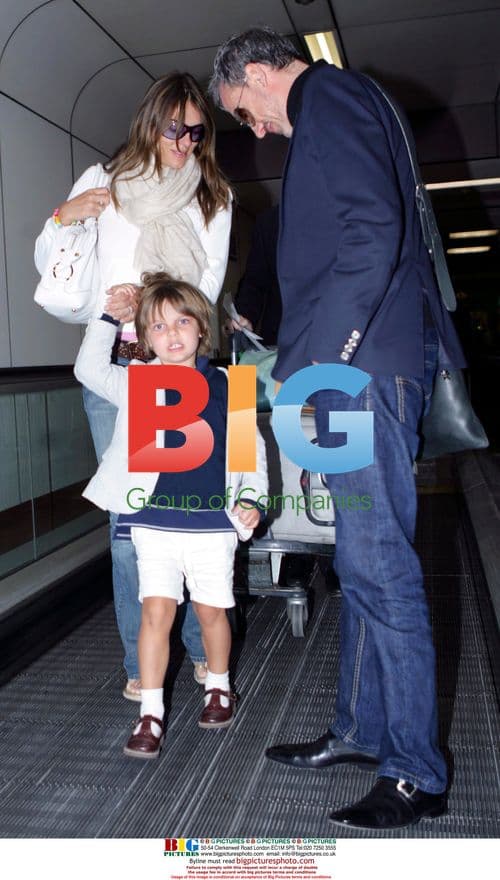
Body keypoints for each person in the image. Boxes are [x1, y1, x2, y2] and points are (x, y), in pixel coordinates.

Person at [210, 28, 465, 830]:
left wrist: (323, 363)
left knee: (381, 565)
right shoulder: (332, 105)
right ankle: (360, 728)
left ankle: (415, 772)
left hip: (359, 373)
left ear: (257, 72)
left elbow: (372, 230)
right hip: (353, 372)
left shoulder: (332, 97)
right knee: (358, 556)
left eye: (243, 110)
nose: (254, 127)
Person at [35, 72, 233, 701]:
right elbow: (55, 263)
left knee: (195, 512)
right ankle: (137, 660)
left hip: (181, 374)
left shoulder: (212, 196)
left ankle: (201, 649)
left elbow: (207, 289)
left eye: (196, 132)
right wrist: (65, 215)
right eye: (175, 128)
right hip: (117, 372)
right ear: (150, 121)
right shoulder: (103, 182)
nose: (185, 142)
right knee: (129, 523)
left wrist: (150, 300)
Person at [74, 271, 268, 758]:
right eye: (158, 326)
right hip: (153, 522)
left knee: (211, 610)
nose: (172, 334)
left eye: (182, 321)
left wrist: (252, 499)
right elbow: (88, 370)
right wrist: (107, 318)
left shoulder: (232, 385)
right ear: (144, 336)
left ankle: (218, 687)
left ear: (201, 327)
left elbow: (250, 453)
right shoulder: (138, 382)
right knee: (155, 612)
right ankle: (151, 713)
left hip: (212, 523)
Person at [230, 204, 281, 346]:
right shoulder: (270, 221)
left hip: (330, 337)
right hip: (279, 340)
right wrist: (242, 317)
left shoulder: (338, 215)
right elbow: (254, 282)